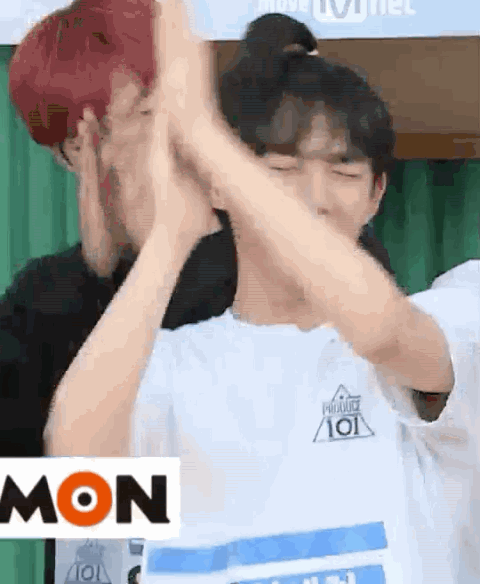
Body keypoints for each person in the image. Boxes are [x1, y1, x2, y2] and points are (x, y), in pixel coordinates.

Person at [45, 1, 480, 584]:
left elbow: (382, 330)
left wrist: (201, 130)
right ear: (222, 187)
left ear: (377, 193)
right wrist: (171, 237)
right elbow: (74, 478)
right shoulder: (168, 367)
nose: (314, 199)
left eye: (344, 172)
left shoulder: (456, 312)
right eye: (280, 170)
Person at [2, 0, 236, 458]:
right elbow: (27, 483)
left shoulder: (273, 261)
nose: (181, 130)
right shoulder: (44, 300)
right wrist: (93, 283)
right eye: (147, 112)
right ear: (76, 149)